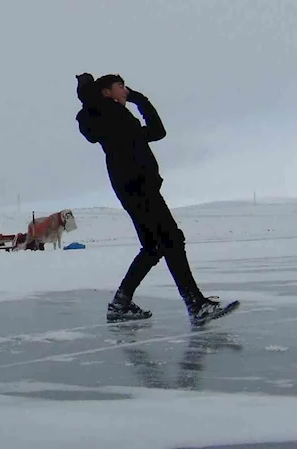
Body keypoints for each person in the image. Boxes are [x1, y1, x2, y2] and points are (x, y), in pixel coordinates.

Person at [75, 73, 239, 327]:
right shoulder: (102, 113)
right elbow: (91, 117)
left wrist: (141, 101)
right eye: (121, 86)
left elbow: (158, 132)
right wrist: (88, 91)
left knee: (154, 246)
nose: (126, 89)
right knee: (171, 239)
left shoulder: (119, 116)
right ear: (106, 92)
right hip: (136, 186)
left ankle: (121, 302)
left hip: (139, 186)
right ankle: (195, 304)